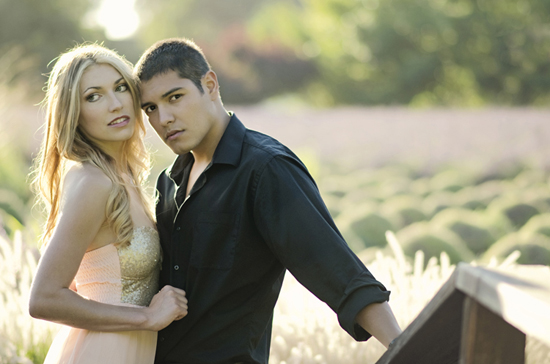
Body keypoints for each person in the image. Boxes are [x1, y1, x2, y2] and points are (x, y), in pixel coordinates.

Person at [135, 38, 402, 364]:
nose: (163, 118)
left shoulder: (265, 169)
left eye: (174, 98)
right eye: (150, 108)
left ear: (210, 84)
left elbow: (339, 270)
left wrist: (405, 347)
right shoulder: (169, 183)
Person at [28, 44, 188, 364]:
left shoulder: (119, 176)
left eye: (120, 88)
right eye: (94, 96)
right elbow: (44, 298)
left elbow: (81, 280)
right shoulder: (94, 183)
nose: (116, 104)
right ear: (74, 113)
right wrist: (147, 317)